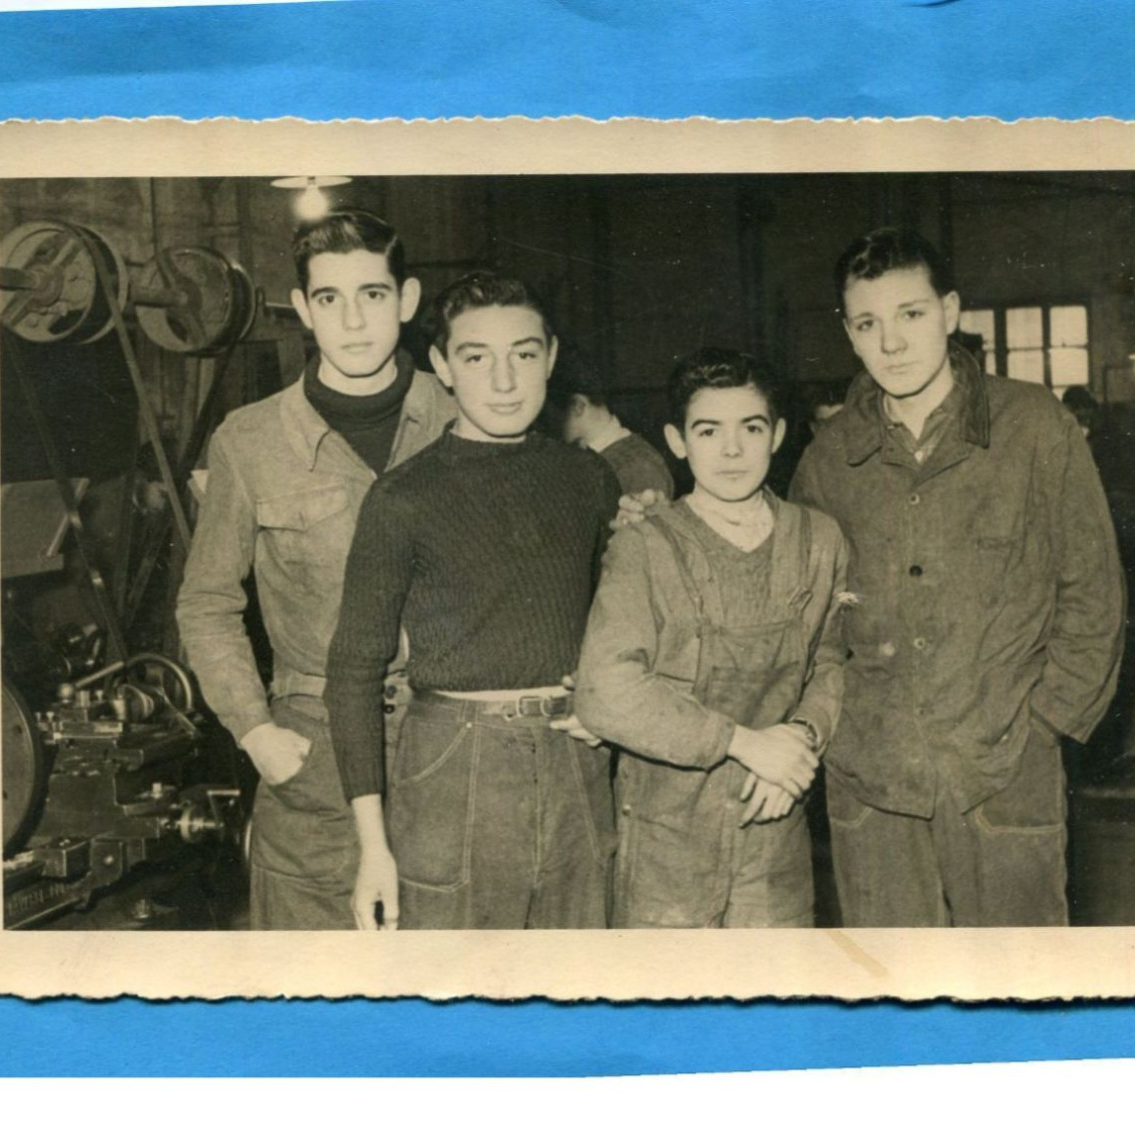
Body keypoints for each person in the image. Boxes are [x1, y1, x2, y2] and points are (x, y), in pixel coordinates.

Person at [789, 228, 1126, 927]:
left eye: (910, 314)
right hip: (871, 776)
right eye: (868, 323)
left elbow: (1093, 590)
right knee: (896, 995)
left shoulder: (1033, 427)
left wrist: (1047, 725)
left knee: (1021, 988)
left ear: (949, 311)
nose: (892, 342)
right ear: (847, 334)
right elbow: (801, 616)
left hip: (1005, 766)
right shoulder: (825, 462)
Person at [176, 210, 456, 930]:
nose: (354, 321)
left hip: (449, 747)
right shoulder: (251, 441)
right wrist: (256, 732)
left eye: (373, 294)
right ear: (302, 309)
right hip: (316, 756)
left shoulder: (463, 419)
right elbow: (205, 604)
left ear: (409, 300)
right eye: (329, 299)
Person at [325, 271, 622, 931]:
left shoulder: (589, 478)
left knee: (579, 995)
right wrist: (372, 847)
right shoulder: (404, 497)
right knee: (461, 1002)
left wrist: (613, 704)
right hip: (453, 763)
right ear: (442, 366)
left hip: (576, 759)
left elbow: (628, 626)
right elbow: (351, 671)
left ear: (550, 356)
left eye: (523, 353)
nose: (506, 380)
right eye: (476, 357)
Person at [575, 348, 850, 928]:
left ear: (776, 434)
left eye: (750, 428)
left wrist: (799, 746)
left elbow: (830, 660)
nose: (731, 450)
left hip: (774, 834)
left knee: (775, 1012)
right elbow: (606, 690)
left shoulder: (819, 541)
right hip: (666, 846)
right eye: (708, 430)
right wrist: (749, 745)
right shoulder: (644, 547)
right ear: (677, 441)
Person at [549, 349, 675, 498]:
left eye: (550, 415)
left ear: (577, 406)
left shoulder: (637, 470)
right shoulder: (593, 458)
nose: (546, 425)